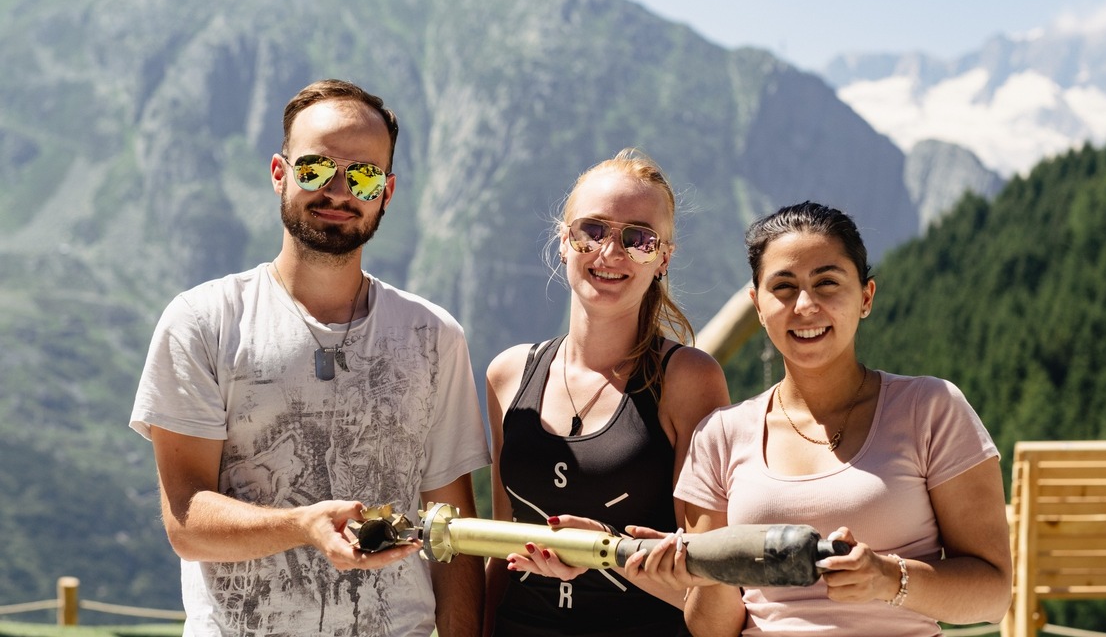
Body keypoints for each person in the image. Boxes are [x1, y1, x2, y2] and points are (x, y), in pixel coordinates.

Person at [130, 79, 489, 636]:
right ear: (281, 173)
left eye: (364, 175)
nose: (340, 191)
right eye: (317, 169)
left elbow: (453, 535)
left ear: (387, 192)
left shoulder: (434, 335)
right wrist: (304, 524)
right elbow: (186, 521)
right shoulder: (202, 321)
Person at [669, 201, 1012, 636]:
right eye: (784, 287)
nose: (806, 305)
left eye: (827, 283)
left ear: (866, 296)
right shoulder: (720, 435)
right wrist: (704, 570)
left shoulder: (931, 409)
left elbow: (993, 594)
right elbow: (710, 629)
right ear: (758, 305)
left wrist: (888, 579)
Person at [483, 148, 730, 636]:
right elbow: (500, 546)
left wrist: (608, 551)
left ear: (662, 259)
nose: (610, 253)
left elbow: (714, 589)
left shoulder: (689, 380)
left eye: (638, 239)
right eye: (591, 231)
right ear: (563, 240)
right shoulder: (507, 374)